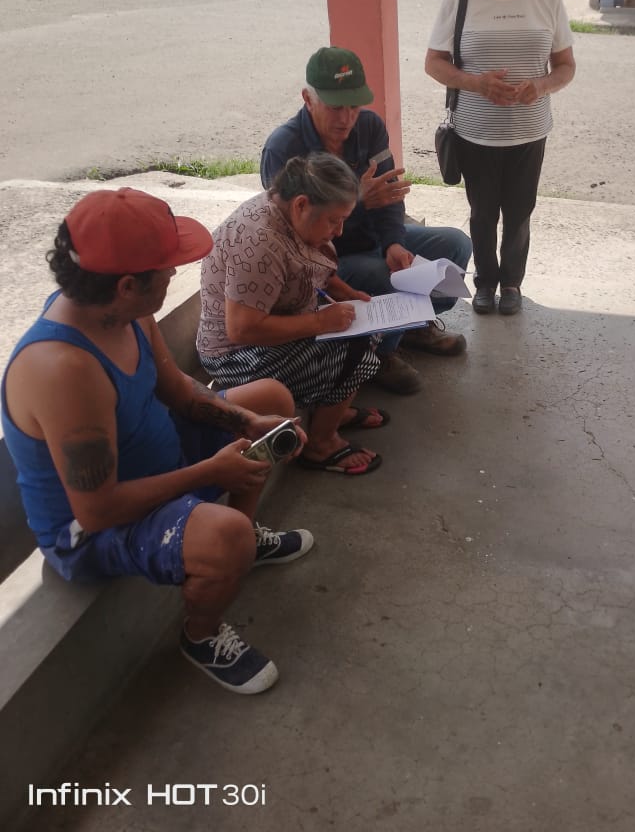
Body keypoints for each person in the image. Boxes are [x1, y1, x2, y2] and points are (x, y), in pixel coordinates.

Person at [0, 188, 313, 696]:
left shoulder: (122, 311)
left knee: (269, 401)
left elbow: (178, 390)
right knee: (226, 534)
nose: (174, 273)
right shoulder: (63, 370)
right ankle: (201, 635)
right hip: (92, 528)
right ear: (128, 285)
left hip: (152, 459)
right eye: (168, 269)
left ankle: (241, 541)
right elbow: (98, 510)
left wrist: (244, 420)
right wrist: (212, 471)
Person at [260, 46, 472, 396]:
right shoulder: (283, 149)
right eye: (335, 107)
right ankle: (378, 354)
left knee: (456, 244)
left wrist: (394, 243)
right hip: (327, 262)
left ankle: (410, 327)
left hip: (373, 240)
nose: (346, 118)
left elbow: (389, 197)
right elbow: (291, 239)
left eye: (354, 106)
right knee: (381, 276)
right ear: (308, 99)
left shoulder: (370, 126)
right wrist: (356, 202)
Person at [425, 0, 576, 316]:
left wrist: (540, 86)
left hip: (529, 132)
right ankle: (485, 282)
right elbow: (434, 63)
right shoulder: (460, 0)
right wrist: (476, 83)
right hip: (475, 132)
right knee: (482, 213)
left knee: (520, 213)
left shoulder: (547, 1)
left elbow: (565, 67)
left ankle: (511, 283)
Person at [198, 153, 386, 476]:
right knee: (358, 355)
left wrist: (346, 293)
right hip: (235, 355)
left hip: (268, 334)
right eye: (334, 220)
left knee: (368, 330)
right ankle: (320, 444)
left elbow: (309, 268)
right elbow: (241, 329)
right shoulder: (259, 241)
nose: (339, 231)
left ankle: (332, 411)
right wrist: (320, 322)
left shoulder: (287, 213)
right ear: (301, 205)